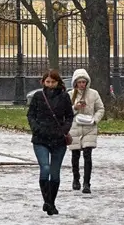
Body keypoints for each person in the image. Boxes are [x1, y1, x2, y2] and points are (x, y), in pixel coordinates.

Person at [27, 68, 74, 216]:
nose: (50, 84)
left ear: (58, 82)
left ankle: (50, 203)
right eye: (47, 82)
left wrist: (64, 130)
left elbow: (69, 116)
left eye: (53, 82)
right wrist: (36, 128)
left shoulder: (64, 97)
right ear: (43, 82)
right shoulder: (38, 96)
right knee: (45, 168)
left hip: (58, 139)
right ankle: (47, 201)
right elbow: (31, 115)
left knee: (55, 173)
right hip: (40, 139)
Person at [68, 68, 105, 194]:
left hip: (89, 127)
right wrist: (75, 107)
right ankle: (76, 179)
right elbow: (66, 111)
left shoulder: (93, 94)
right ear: (75, 83)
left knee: (87, 155)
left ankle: (86, 183)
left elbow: (100, 109)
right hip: (75, 127)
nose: (82, 84)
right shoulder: (70, 94)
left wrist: (95, 119)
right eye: (79, 82)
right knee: (75, 155)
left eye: (84, 82)